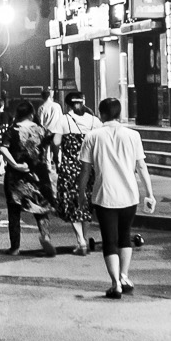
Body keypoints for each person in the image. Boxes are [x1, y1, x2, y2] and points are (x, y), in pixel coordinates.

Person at [79, 97, 157, 297]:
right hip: (129, 195)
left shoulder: (92, 136)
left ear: (101, 114)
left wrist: (81, 194)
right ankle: (124, 276)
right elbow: (141, 166)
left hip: (104, 195)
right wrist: (149, 193)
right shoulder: (133, 135)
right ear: (119, 113)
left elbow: (85, 170)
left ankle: (115, 284)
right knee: (124, 236)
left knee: (109, 239)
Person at [0, 100, 59, 256]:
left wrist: (15, 164)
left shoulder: (12, 130)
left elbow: (3, 148)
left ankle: (15, 247)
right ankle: (45, 236)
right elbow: (55, 141)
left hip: (16, 176)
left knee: (14, 211)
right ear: (32, 114)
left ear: (18, 114)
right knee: (41, 208)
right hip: (39, 175)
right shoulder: (41, 130)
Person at [53, 91, 100, 255]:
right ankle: (84, 239)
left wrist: (56, 159)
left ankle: (80, 240)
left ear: (67, 104)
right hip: (90, 168)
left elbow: (56, 142)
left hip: (69, 168)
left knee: (71, 203)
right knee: (86, 204)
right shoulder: (95, 121)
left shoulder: (64, 120)